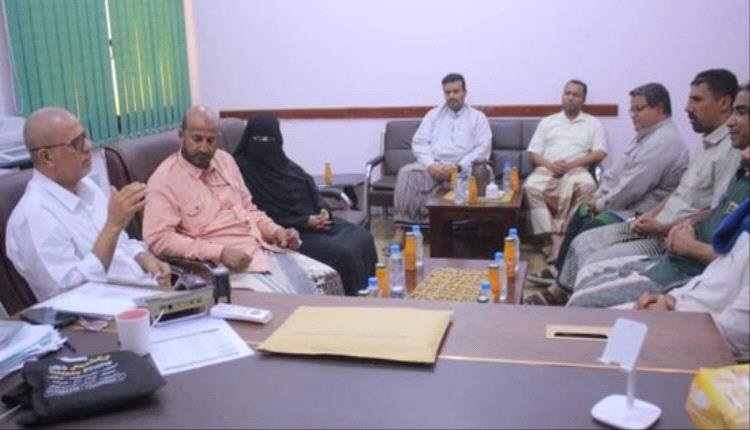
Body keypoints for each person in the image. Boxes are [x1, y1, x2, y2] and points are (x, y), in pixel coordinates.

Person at [541, 69, 741, 304]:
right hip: (651, 221)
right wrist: (651, 215)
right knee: (585, 239)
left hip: (665, 236)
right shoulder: (700, 143)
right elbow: (676, 193)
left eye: (696, 100)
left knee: (591, 252)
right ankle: (561, 289)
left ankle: (564, 294)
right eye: (632, 110)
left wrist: (658, 225)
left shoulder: (708, 147)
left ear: (724, 103)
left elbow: (713, 212)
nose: (687, 108)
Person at [143, 106, 344, 295]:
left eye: (210, 141)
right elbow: (159, 239)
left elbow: (249, 209)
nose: (204, 148)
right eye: (197, 139)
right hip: (221, 267)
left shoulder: (225, 161)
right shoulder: (164, 180)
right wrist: (220, 253)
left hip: (261, 250)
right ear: (181, 136)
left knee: (328, 278)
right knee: (287, 302)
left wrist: (276, 232)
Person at [528, 83, 688, 285]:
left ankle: (563, 284)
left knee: (591, 225)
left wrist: (600, 204)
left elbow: (632, 188)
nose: (633, 115)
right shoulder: (646, 135)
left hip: (641, 213)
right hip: (626, 204)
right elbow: (615, 174)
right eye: (632, 110)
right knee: (582, 211)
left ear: (660, 108)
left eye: (639, 109)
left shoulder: (664, 142)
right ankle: (560, 270)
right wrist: (598, 196)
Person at [6, 107, 171, 301]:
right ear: (46, 157)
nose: (88, 146)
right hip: (106, 313)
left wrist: (145, 259)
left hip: (147, 295)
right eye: (76, 143)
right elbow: (68, 295)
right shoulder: (33, 216)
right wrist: (113, 226)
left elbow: (121, 245)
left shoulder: (87, 187)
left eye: (84, 136)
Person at [233, 113, 377, 296]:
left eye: (270, 139)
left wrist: (323, 210)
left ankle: (372, 295)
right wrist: (304, 221)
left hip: (316, 225)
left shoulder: (284, 164)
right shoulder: (241, 169)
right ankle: (349, 302)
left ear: (279, 139)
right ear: (248, 139)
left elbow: (310, 187)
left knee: (363, 237)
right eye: (258, 139)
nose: (265, 144)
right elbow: (257, 212)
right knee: (343, 254)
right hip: (289, 232)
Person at [631, 198, 749, 360]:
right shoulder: (745, 226)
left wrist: (667, 320)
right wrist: (667, 299)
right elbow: (712, 280)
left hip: (693, 348)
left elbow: (734, 336)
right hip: (677, 318)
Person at [390, 73, 491, 246]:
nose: (451, 96)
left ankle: (478, 233)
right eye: (447, 92)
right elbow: (419, 143)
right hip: (433, 167)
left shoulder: (478, 118)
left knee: (485, 172)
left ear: (464, 92)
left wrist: (459, 166)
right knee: (407, 173)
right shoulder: (433, 115)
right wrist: (431, 165)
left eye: (456, 91)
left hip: (464, 168)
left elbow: (483, 148)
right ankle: (401, 230)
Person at [522, 79, 608, 262]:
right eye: (567, 93)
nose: (570, 98)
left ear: (583, 99)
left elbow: (600, 153)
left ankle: (562, 238)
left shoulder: (593, 123)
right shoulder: (548, 122)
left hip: (577, 169)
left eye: (576, 95)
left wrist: (572, 164)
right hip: (548, 168)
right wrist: (550, 165)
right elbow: (534, 153)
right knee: (530, 186)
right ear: (562, 96)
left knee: (587, 187)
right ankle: (556, 240)